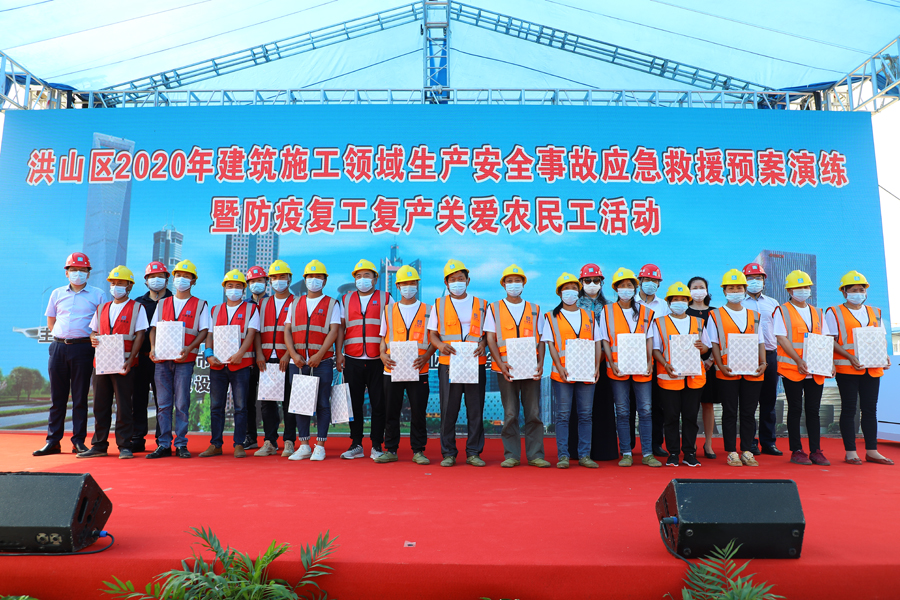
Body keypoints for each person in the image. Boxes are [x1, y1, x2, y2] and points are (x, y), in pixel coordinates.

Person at [35, 253, 106, 457]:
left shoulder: (98, 295)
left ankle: (78, 441)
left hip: (83, 348)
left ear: (88, 273)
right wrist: (62, 337)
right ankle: (53, 441)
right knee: (57, 397)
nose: (78, 274)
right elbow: (51, 321)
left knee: (80, 397)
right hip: (58, 347)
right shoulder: (57, 293)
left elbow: (102, 323)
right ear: (66, 273)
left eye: (82, 270)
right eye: (73, 270)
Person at [79, 266, 148, 459]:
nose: (116, 286)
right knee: (100, 405)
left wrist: (131, 359)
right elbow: (93, 331)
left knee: (124, 406)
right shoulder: (102, 308)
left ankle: (124, 445)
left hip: (124, 364)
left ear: (129, 286)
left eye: (120, 283)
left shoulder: (137, 308)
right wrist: (93, 338)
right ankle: (99, 445)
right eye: (113, 283)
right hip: (101, 363)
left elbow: (140, 335)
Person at [484, 264, 549, 468]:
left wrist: (540, 363)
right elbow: (490, 339)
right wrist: (501, 364)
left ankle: (535, 455)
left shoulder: (535, 309)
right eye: (510, 281)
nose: (514, 284)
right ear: (503, 284)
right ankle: (511, 455)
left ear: (523, 284)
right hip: (506, 370)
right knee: (510, 413)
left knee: (533, 413)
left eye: (517, 281)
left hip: (531, 370)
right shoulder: (494, 308)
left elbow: (541, 339)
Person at [827, 270, 893, 465]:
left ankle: (872, 450)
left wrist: (884, 355)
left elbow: (880, 337)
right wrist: (849, 356)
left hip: (872, 367)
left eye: (861, 289)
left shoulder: (875, 312)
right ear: (844, 292)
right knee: (849, 409)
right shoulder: (834, 312)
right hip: (848, 368)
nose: (858, 293)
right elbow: (830, 340)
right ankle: (850, 452)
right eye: (854, 290)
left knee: (870, 409)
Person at [428, 260, 488, 467]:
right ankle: (448, 453)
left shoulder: (482, 304)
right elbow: (432, 334)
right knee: (448, 410)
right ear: (446, 283)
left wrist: (484, 344)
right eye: (452, 279)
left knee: (475, 409)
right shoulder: (438, 304)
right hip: (449, 363)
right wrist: (440, 346)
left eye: (460, 279)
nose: (457, 282)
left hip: (475, 362)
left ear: (468, 280)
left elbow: (488, 334)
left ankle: (473, 452)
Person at [147, 259, 208, 459]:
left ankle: (181, 443)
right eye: (178, 275)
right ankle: (164, 444)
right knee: (163, 404)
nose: (181, 279)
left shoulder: (200, 305)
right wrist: (153, 348)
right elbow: (153, 329)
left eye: (186, 276)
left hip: (185, 361)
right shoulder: (162, 303)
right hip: (162, 361)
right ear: (173, 279)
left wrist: (189, 348)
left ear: (193, 281)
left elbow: (204, 331)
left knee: (182, 404)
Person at [375, 266, 436, 464]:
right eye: (404, 283)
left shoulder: (429, 310)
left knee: (418, 412)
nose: (409, 287)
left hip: (419, 369)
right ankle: (391, 449)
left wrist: (426, 357)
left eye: (412, 283)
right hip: (392, 369)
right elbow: (383, 338)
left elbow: (434, 339)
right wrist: (382, 355)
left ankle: (418, 451)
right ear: (398, 286)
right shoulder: (388, 310)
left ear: (417, 285)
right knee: (391, 411)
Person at [599, 268, 658, 467]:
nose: (626, 289)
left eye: (629, 285)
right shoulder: (607, 311)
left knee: (646, 411)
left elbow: (649, 338)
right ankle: (626, 453)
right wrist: (611, 362)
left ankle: (648, 453)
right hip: (618, 369)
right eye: (622, 285)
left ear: (635, 287)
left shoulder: (646, 312)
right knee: (623, 411)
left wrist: (649, 362)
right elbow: (605, 340)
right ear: (615, 289)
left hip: (642, 368)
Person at [707, 269, 767, 467]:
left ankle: (747, 450)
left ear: (744, 289)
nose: (735, 291)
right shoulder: (715, 315)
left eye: (739, 288)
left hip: (753, 371)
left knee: (749, 412)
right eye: (731, 288)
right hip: (728, 371)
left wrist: (763, 363)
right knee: (730, 412)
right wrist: (720, 365)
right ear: (724, 291)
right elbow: (714, 343)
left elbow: (760, 342)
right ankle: (732, 451)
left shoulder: (754, 315)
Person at [284, 260, 341, 461]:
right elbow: (287, 331)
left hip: (322, 362)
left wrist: (319, 355)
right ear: (305, 279)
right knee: (301, 404)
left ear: (325, 281)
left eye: (318, 277)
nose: (314, 280)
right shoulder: (294, 303)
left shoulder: (332, 304)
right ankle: (304, 445)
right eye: (310, 276)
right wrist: (293, 354)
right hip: (298, 363)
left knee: (322, 403)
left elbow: (334, 331)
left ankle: (320, 445)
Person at [774, 270, 833, 466]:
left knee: (813, 410)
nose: (803, 290)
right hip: (792, 369)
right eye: (798, 287)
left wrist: (830, 362)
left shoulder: (817, 312)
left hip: (816, 369)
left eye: (806, 287)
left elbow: (825, 339)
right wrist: (798, 360)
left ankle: (816, 451)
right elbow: (781, 338)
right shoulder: (782, 311)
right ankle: (797, 450)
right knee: (795, 409)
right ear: (789, 290)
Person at [543, 273, 601, 469]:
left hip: (586, 372)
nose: (570, 292)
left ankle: (585, 455)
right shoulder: (551, 316)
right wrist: (559, 367)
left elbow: (597, 342)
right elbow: (551, 344)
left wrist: (596, 367)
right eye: (566, 289)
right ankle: (563, 456)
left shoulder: (589, 316)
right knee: (563, 415)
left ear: (579, 291)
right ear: (559, 293)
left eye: (574, 288)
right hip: (562, 374)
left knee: (585, 415)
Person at [201, 269, 259, 459]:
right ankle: (216, 444)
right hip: (217, 365)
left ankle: (239, 444)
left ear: (243, 289)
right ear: (224, 288)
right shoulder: (215, 310)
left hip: (240, 365)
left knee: (241, 407)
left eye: (238, 286)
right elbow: (209, 335)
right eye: (230, 286)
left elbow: (251, 334)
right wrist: (208, 354)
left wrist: (240, 353)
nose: (233, 289)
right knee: (216, 406)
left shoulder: (251, 309)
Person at [651, 282, 710, 467]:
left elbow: (706, 347)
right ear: (669, 302)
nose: (679, 302)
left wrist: (702, 347)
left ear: (688, 301)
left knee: (691, 417)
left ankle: (689, 453)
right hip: (670, 376)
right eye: (675, 299)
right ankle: (673, 453)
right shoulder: (659, 322)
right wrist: (665, 364)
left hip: (693, 377)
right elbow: (655, 349)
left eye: (683, 299)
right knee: (671, 417)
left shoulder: (698, 322)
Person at [340, 259, 392, 460]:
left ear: (375, 278)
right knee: (354, 404)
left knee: (379, 404)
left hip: (378, 359)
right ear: (354, 279)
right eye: (359, 276)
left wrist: (386, 352)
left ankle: (377, 445)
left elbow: (391, 327)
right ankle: (356, 444)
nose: (363, 279)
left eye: (367, 275)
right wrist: (339, 353)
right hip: (352, 358)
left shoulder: (386, 298)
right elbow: (341, 329)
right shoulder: (346, 299)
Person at [573, 263, 618, 462]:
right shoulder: (573, 306)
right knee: (580, 407)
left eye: (596, 280)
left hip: (603, 361)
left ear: (601, 283)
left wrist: (600, 357)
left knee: (603, 404)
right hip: (578, 361)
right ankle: (577, 450)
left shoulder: (610, 307)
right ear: (581, 282)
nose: (592, 284)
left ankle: (603, 450)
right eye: (587, 280)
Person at [254, 260, 298, 457]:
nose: (278, 281)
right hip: (266, 359)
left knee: (289, 401)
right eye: (274, 278)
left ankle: (289, 441)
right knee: (267, 402)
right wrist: (259, 353)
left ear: (289, 279)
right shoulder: (262, 303)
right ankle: (270, 441)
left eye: (282, 277)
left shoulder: (297, 302)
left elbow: (298, 332)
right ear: (269, 281)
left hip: (287, 359)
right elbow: (256, 331)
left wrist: (288, 354)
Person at [741, 263, 782, 457]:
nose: (754, 281)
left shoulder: (773, 303)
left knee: (769, 400)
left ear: (764, 281)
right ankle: (750, 442)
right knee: (749, 402)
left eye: (758, 278)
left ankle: (769, 442)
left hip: (771, 354)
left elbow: (780, 330)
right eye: (750, 278)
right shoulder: (739, 303)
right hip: (748, 354)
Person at [131, 261, 172, 453]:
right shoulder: (138, 303)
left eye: (160, 276)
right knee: (138, 399)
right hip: (141, 358)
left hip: (165, 359)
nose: (156, 280)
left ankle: (162, 440)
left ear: (167, 279)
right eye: (152, 277)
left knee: (163, 402)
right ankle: (137, 438)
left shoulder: (174, 301)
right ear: (146, 281)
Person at [634, 264, 668, 458]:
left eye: (654, 281)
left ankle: (656, 444)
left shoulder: (663, 306)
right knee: (630, 404)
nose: (650, 284)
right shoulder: (630, 303)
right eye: (647, 280)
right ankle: (629, 445)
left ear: (659, 284)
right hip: (633, 359)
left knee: (656, 405)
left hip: (658, 360)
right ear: (640, 282)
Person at [686, 276, 718, 459]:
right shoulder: (683, 311)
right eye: (694, 287)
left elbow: (718, 340)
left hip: (709, 365)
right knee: (689, 405)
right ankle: (689, 444)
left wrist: (710, 360)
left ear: (707, 290)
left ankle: (709, 444)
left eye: (701, 287)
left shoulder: (715, 313)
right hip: (688, 365)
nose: (698, 290)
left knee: (707, 404)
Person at [243, 265, 269, 451]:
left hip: (269, 359)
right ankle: (250, 436)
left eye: (260, 280)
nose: (256, 284)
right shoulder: (244, 305)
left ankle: (270, 438)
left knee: (269, 401)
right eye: (252, 281)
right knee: (247, 400)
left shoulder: (272, 303)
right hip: (247, 360)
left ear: (266, 282)